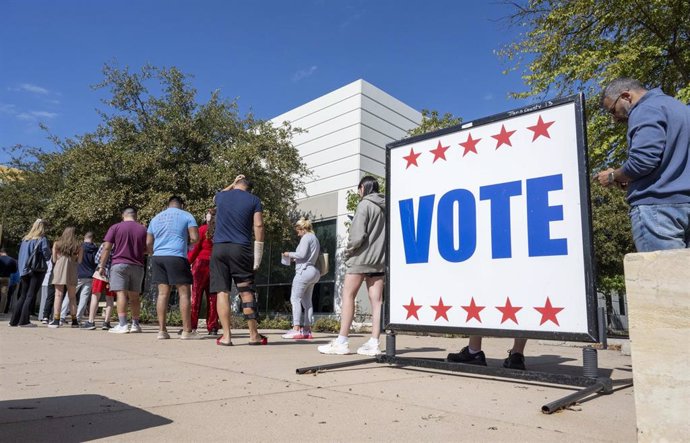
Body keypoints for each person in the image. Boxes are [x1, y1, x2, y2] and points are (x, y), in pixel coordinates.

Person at [596, 77, 690, 251]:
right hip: (685, 202)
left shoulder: (644, 109)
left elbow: (642, 162)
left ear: (626, 96)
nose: (614, 119)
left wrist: (612, 176)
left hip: (659, 211)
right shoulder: (680, 108)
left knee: (662, 276)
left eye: (612, 110)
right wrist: (630, 179)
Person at [318, 176, 385, 356]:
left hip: (360, 258)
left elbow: (357, 236)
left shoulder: (364, 205)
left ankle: (342, 341)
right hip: (379, 260)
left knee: (348, 295)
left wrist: (348, 251)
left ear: (363, 187)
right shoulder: (385, 208)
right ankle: (374, 342)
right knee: (377, 301)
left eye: (359, 189)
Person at [211, 175, 267, 346]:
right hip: (240, 248)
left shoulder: (221, 196)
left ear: (236, 184)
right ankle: (253, 335)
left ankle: (226, 336)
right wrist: (259, 251)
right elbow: (258, 225)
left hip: (219, 248)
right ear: (249, 188)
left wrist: (231, 183)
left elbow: (216, 196)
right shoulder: (254, 200)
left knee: (222, 292)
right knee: (245, 290)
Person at [147, 196, 200, 340]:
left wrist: (154, 253)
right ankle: (187, 331)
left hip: (158, 257)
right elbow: (195, 237)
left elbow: (148, 242)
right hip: (176, 256)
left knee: (162, 294)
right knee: (184, 294)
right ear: (182, 204)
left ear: (168, 204)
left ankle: (162, 330)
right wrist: (188, 245)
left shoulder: (156, 218)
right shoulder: (187, 215)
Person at [98, 207, 148, 334]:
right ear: (135, 216)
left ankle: (123, 324)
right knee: (135, 296)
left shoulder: (115, 227)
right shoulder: (143, 229)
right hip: (137, 265)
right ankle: (135, 324)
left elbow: (107, 248)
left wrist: (102, 266)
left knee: (121, 295)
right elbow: (148, 249)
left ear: (123, 215)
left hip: (119, 264)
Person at [282, 218, 321, 340]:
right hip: (313, 272)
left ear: (303, 229)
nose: (297, 233)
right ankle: (307, 330)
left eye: (298, 230)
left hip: (304, 272)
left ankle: (296, 328)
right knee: (307, 302)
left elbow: (302, 254)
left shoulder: (306, 237)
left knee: (295, 299)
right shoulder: (315, 239)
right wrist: (295, 259)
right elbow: (306, 256)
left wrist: (289, 254)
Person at [10, 219, 51, 327]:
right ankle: (24, 321)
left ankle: (14, 321)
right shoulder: (42, 239)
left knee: (23, 295)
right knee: (30, 295)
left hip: (23, 270)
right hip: (36, 270)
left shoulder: (25, 239)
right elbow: (47, 256)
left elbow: (20, 256)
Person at [188, 208, 219, 335]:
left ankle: (191, 325)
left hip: (200, 265)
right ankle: (212, 327)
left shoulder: (201, 230)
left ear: (207, 217)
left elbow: (195, 249)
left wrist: (187, 262)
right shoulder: (221, 231)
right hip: (215, 265)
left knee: (196, 296)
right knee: (214, 298)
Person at [60, 232, 97, 324]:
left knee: (70, 296)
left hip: (78, 274)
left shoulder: (79, 247)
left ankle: (62, 315)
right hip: (90, 275)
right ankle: (78, 317)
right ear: (93, 239)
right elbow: (96, 261)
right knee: (84, 298)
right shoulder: (95, 249)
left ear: (84, 238)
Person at [49, 227, 83, 328]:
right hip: (72, 269)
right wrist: (74, 257)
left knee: (58, 295)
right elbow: (80, 261)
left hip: (59, 269)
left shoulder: (57, 244)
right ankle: (74, 321)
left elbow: (54, 260)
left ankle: (56, 320)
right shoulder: (78, 246)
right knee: (72, 297)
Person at [82, 241, 116, 330]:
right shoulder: (119, 245)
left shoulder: (105, 244)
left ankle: (91, 321)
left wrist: (102, 266)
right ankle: (106, 322)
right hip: (113, 274)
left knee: (95, 296)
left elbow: (97, 258)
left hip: (101, 273)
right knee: (110, 298)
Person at [0, 248, 18, 314]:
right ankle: (1, 311)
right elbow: (14, 271)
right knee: (4, 295)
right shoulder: (12, 260)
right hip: (6, 278)